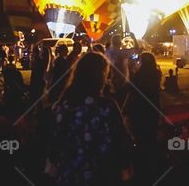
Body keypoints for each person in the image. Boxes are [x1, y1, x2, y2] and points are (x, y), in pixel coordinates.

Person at [46, 52, 133, 185]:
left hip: (68, 175)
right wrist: (125, 167)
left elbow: (54, 141)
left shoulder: (60, 107)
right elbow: (120, 140)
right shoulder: (106, 107)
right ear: (101, 76)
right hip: (100, 175)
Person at [127, 52, 163, 173]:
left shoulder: (138, 75)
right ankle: (153, 160)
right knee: (151, 132)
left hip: (139, 106)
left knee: (140, 134)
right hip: (153, 105)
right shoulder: (156, 74)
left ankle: (141, 160)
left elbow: (132, 89)